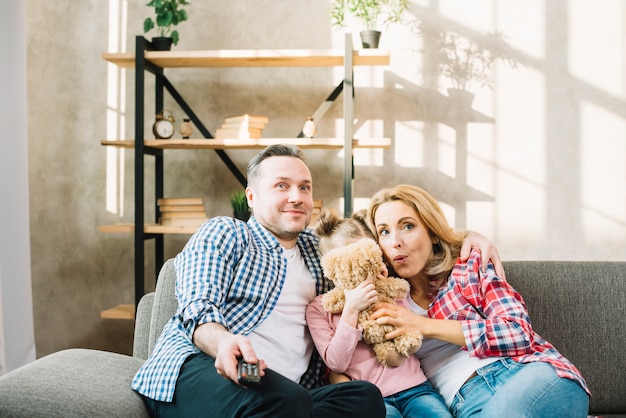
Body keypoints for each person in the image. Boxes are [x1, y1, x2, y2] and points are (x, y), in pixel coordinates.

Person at [131, 144, 501, 417]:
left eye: (304, 187)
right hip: (206, 366)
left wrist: (463, 237)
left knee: (365, 399)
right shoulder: (226, 234)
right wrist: (223, 342)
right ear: (251, 195)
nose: (296, 197)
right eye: (282, 186)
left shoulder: (318, 248)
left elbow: (387, 233)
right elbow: (197, 305)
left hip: (282, 393)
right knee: (284, 399)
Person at [366, 184, 590, 418]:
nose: (395, 242)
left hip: (525, 374)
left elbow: (518, 332)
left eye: (408, 226)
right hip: (467, 405)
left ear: (432, 232)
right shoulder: (381, 296)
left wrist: (423, 325)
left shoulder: (468, 267)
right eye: (384, 232)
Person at [306, 208, 452, 418]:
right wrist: (351, 310)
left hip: (415, 388)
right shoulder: (320, 308)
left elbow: (410, 334)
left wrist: (384, 287)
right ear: (332, 264)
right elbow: (336, 363)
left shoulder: (392, 288)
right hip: (373, 400)